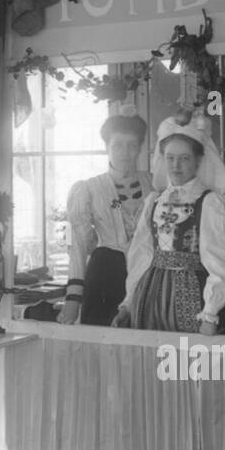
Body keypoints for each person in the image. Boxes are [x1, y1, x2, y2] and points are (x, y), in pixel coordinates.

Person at [113, 118, 225, 335]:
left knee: (193, 363)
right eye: (170, 158)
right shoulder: (154, 200)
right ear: (162, 160)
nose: (176, 165)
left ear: (198, 161)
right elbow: (141, 256)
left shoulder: (209, 202)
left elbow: (223, 262)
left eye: (184, 158)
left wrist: (210, 313)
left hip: (194, 298)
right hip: (151, 296)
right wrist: (128, 302)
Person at [58, 115, 154, 327]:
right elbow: (78, 246)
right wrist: (73, 298)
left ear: (140, 148)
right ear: (106, 147)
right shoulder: (89, 188)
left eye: (132, 145)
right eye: (118, 145)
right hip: (105, 274)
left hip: (148, 276)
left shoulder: (155, 185)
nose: (125, 152)